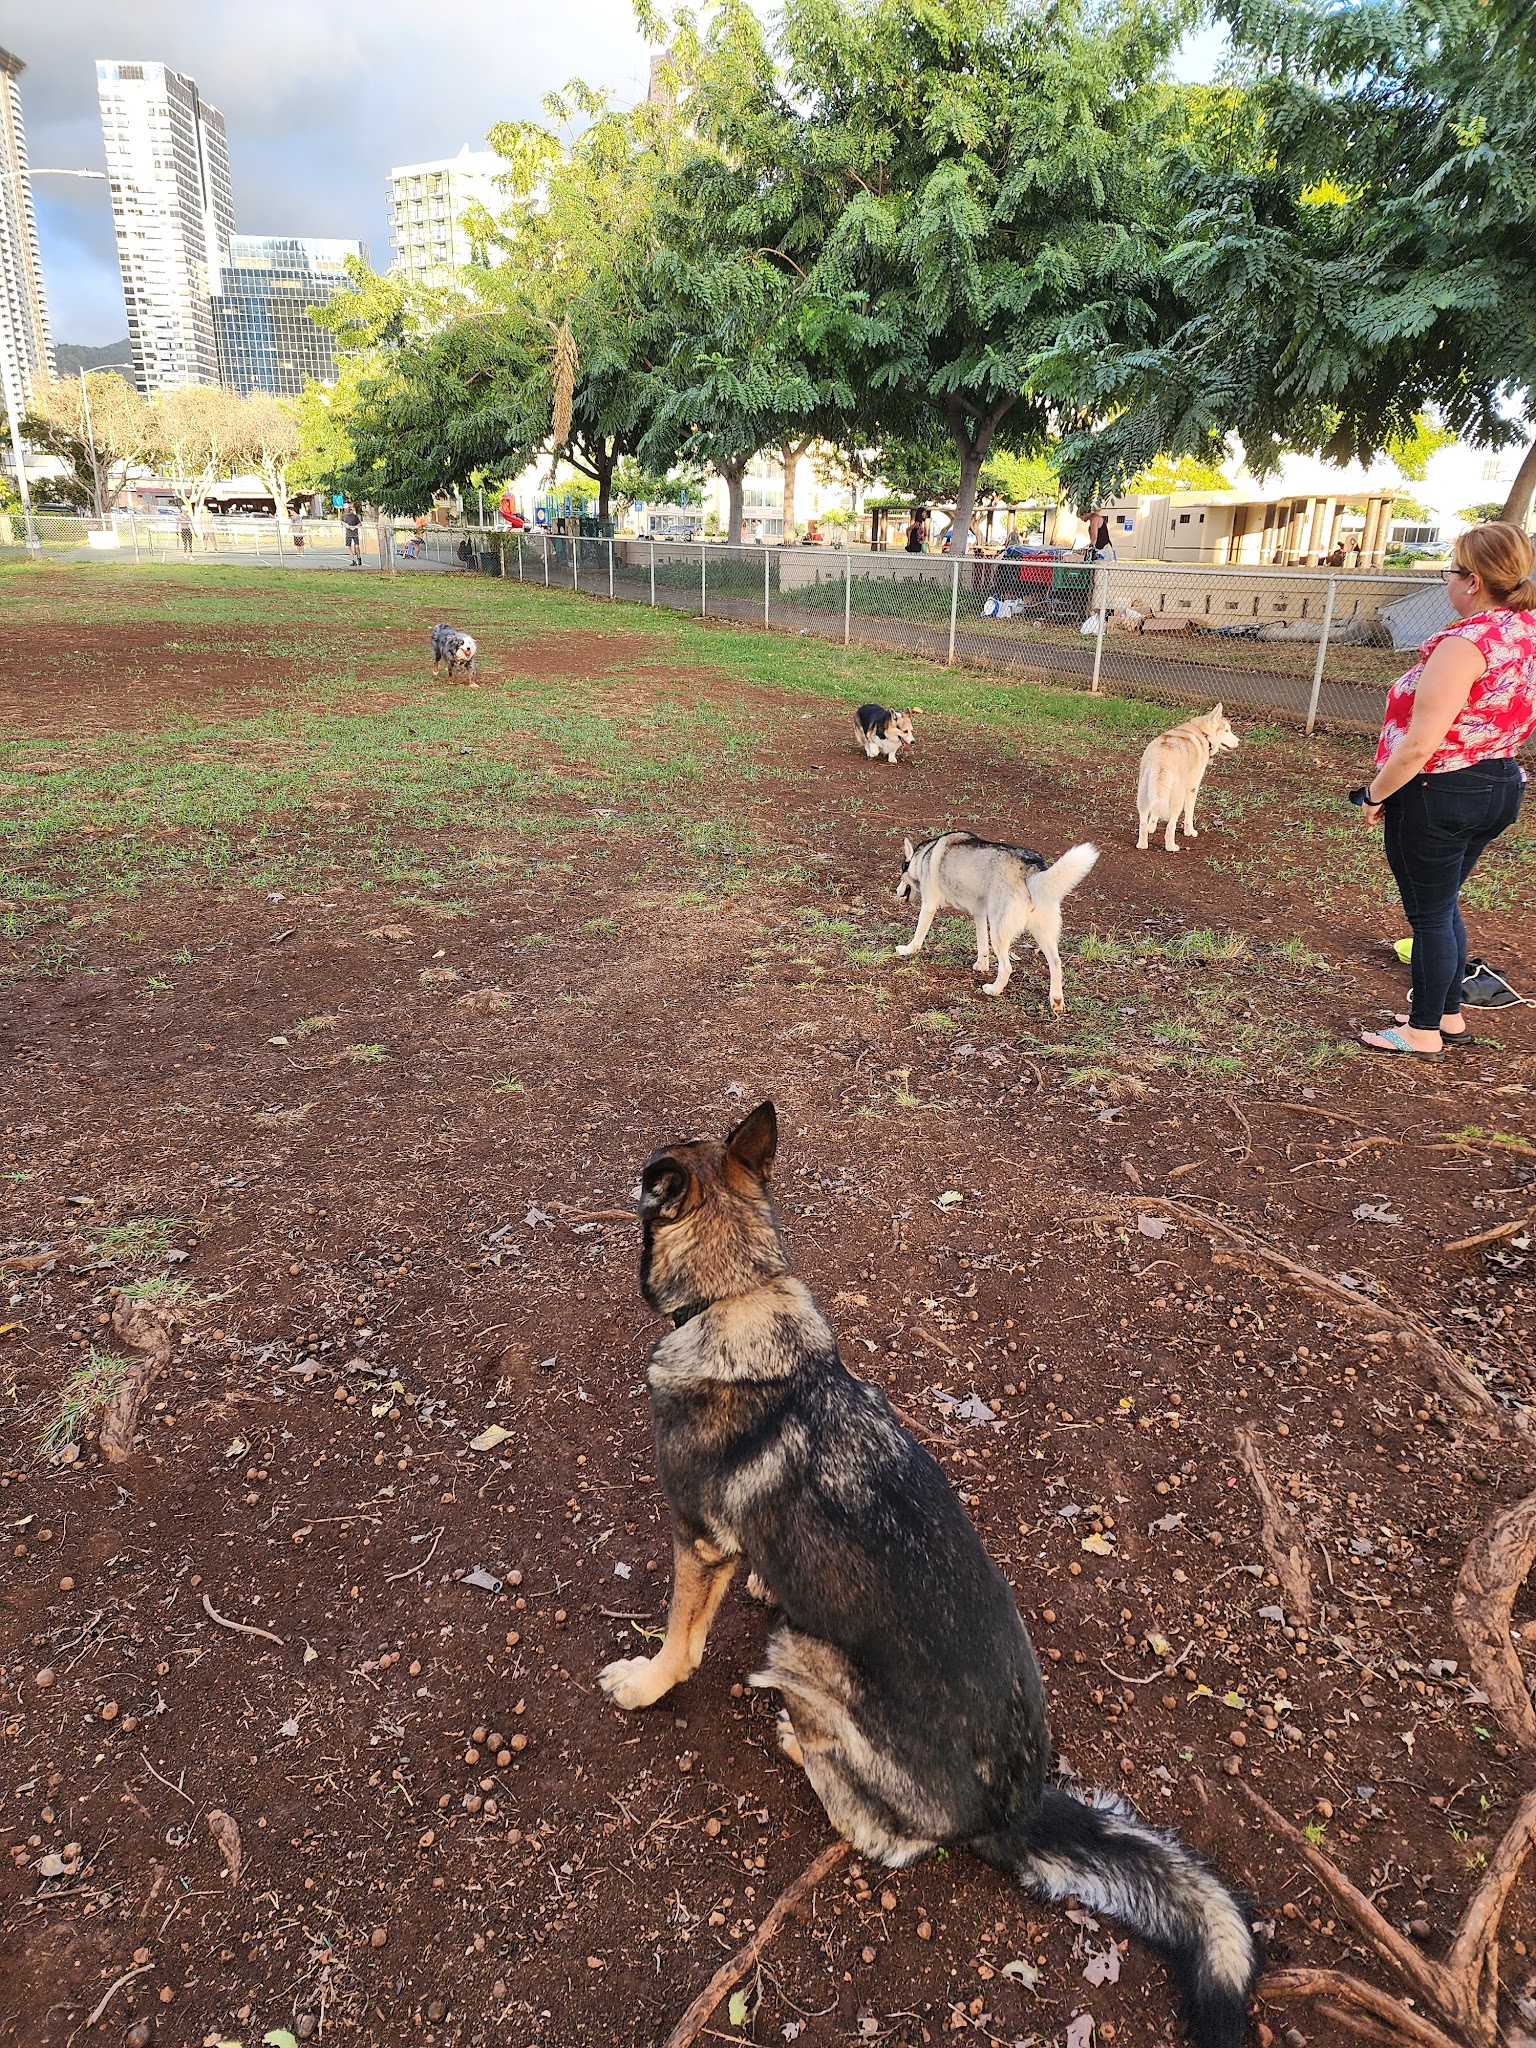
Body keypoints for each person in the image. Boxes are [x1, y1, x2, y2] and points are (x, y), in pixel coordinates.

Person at [1356, 521, 1536, 1057]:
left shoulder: (1464, 645)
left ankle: (1422, 1030)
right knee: (1443, 903)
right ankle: (1446, 1013)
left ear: (1474, 581)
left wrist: (1374, 793)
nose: (1447, 582)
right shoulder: (1523, 631)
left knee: (1430, 914)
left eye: (1450, 572)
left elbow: (1418, 746)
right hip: (1499, 781)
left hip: (1441, 790)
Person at [342, 502, 362, 567]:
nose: (345, 510)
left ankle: (359, 557)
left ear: (349, 508)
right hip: (348, 534)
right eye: (344, 509)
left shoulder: (354, 516)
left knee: (357, 546)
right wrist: (345, 525)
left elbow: (360, 524)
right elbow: (342, 523)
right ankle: (353, 560)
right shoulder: (344, 516)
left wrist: (355, 527)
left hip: (355, 534)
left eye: (346, 508)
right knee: (348, 547)